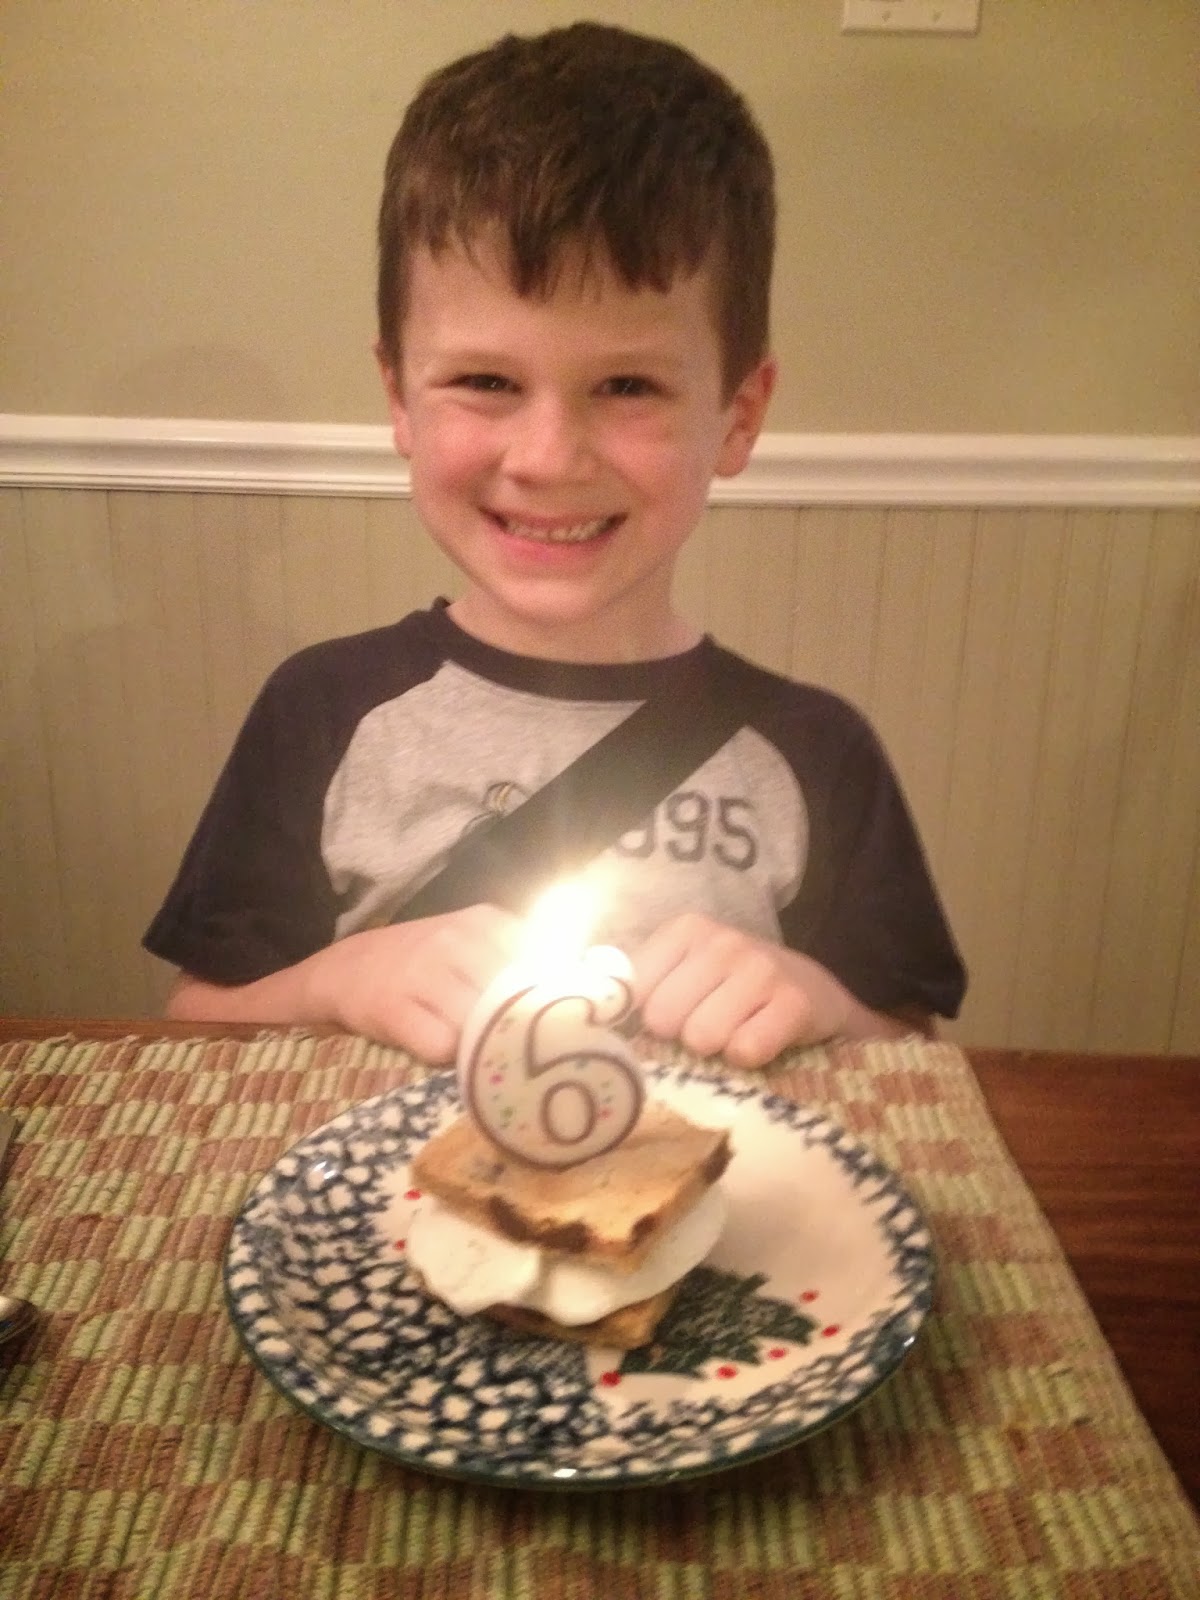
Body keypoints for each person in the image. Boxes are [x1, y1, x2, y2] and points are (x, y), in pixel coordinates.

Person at [145, 21, 965, 1069]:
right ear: (398, 397)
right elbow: (197, 1024)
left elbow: (910, 1053)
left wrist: (824, 1004)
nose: (546, 457)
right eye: (486, 381)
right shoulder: (321, 713)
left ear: (740, 415)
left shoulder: (818, 755)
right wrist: (332, 982)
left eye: (628, 386)